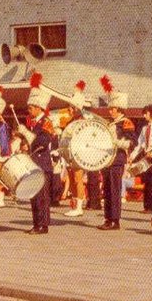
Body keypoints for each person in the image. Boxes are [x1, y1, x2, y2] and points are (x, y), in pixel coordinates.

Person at [97, 75, 135, 231]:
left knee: (114, 190)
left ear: (119, 109)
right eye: (110, 108)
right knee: (107, 190)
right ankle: (108, 218)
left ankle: (115, 220)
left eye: (113, 109)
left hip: (117, 159)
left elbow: (131, 143)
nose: (110, 111)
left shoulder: (126, 122)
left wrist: (116, 142)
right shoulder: (110, 123)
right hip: (107, 159)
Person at [22, 74, 56, 234]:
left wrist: (27, 135)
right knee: (34, 194)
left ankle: (43, 224)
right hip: (34, 163)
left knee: (42, 196)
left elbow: (42, 142)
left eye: (31, 108)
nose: (29, 110)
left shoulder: (46, 122)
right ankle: (36, 223)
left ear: (38, 107)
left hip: (42, 163)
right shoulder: (34, 123)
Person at [62, 80, 90, 217]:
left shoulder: (84, 121)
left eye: (71, 108)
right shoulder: (70, 121)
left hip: (80, 153)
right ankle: (74, 205)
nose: (69, 110)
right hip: (70, 154)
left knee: (78, 179)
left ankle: (79, 206)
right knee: (72, 178)